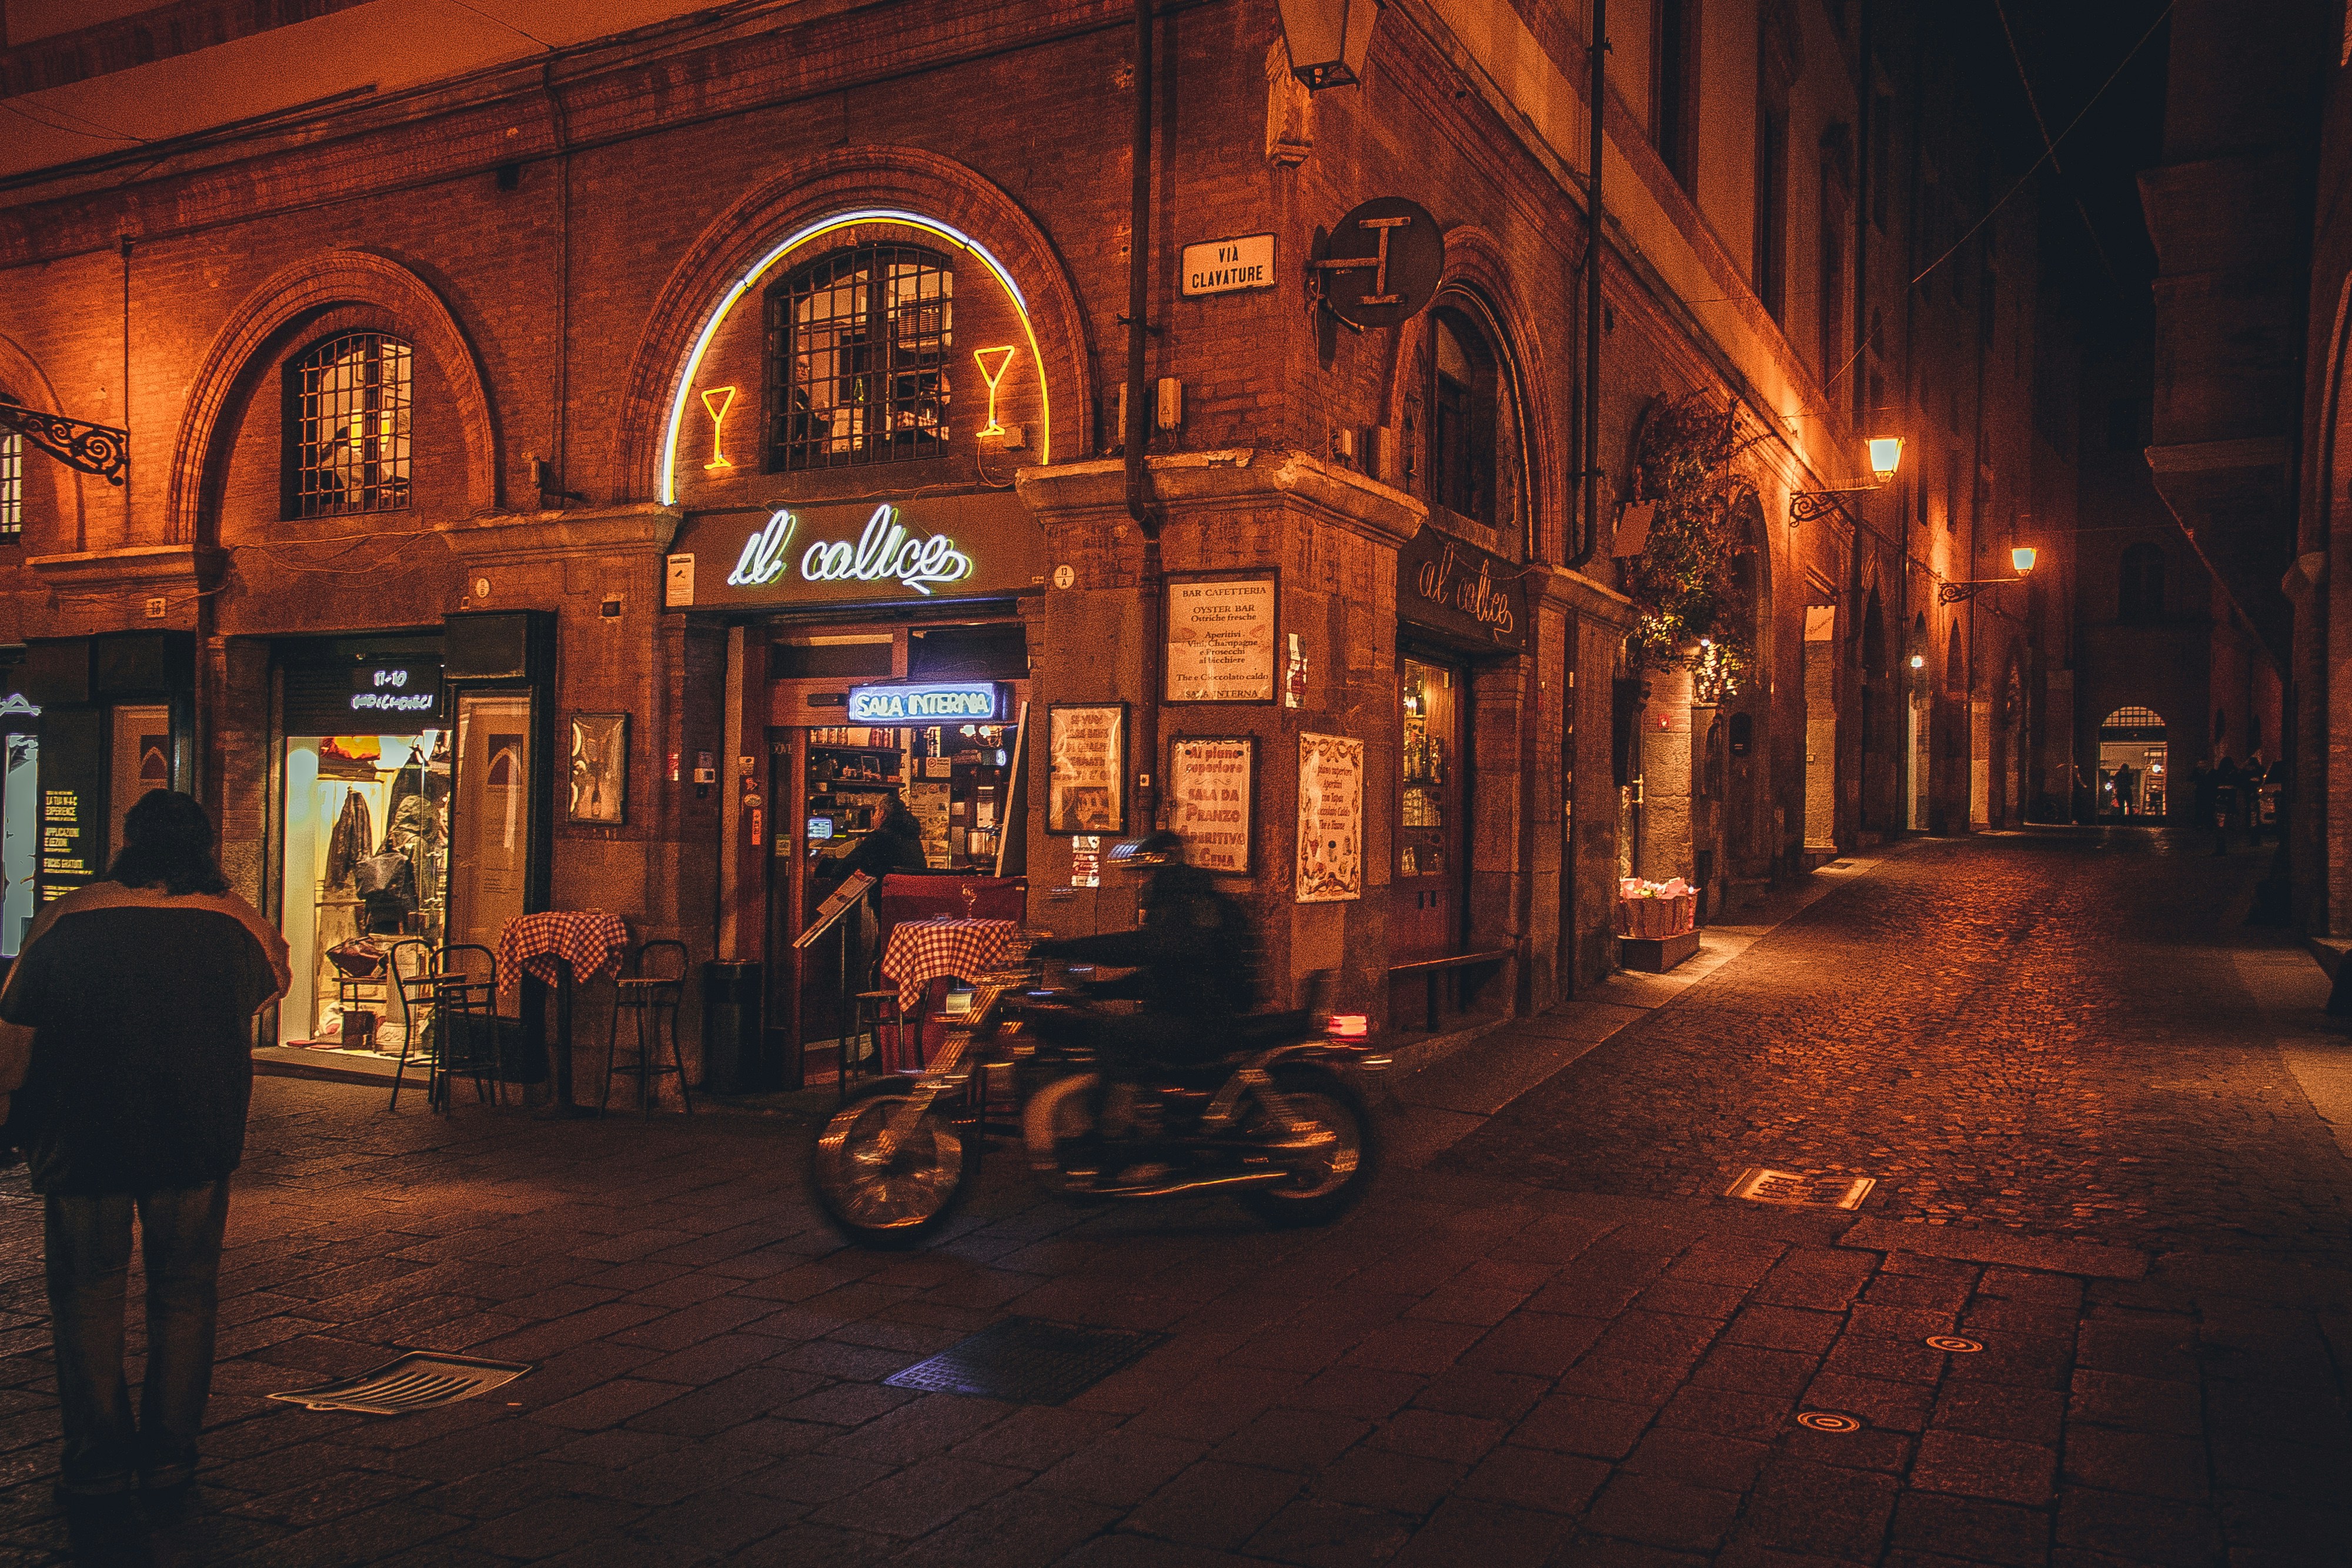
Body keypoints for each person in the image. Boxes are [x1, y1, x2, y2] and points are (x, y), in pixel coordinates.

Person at [0, 791, 288, 1515]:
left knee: (87, 1294)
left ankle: (96, 1457)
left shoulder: (73, 914)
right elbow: (273, 984)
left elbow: (17, 1017)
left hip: (85, 1129)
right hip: (194, 1128)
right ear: (206, 844)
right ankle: (168, 1453)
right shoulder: (234, 919)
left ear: (127, 840)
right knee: (186, 1291)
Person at [1030, 830, 1259, 1103]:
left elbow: (1143, 948)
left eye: (1146, 874)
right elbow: (1164, 975)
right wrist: (1097, 991)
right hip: (1187, 1010)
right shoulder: (1185, 903)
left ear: (1165, 868)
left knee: (1113, 1034)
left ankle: (1120, 1122)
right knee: (1096, 1024)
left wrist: (1065, 949)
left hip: (1203, 1021)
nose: (1141, 882)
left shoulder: (1194, 908)